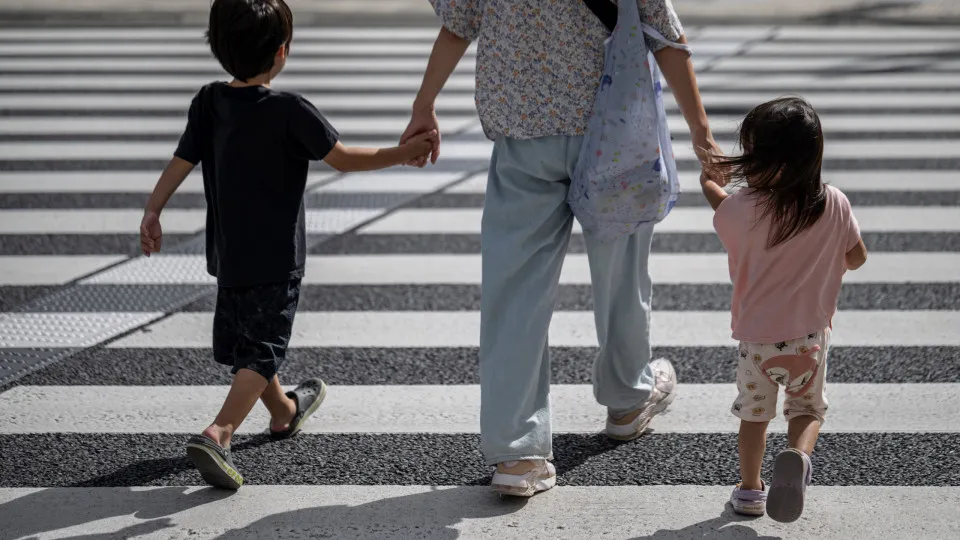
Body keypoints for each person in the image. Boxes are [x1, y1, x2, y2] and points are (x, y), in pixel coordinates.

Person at [402, 0, 723, 497]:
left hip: (524, 137)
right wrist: (703, 135)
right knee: (621, 276)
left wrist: (424, 104)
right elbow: (666, 38)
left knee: (515, 291)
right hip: (614, 134)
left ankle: (518, 451)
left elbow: (457, 27)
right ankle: (628, 397)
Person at [139, 0, 438, 490]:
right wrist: (404, 152)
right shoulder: (289, 111)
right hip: (277, 259)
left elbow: (181, 160)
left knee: (251, 342)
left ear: (217, 47)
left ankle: (284, 410)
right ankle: (219, 432)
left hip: (229, 255)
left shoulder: (208, 102)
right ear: (281, 52)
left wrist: (153, 209)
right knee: (261, 350)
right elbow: (343, 159)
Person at [699, 96, 868, 522]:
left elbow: (723, 208)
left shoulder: (743, 209)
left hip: (757, 342)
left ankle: (751, 490)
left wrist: (709, 181)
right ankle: (797, 456)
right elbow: (857, 256)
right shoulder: (834, 203)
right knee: (808, 409)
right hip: (809, 337)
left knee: (754, 417)